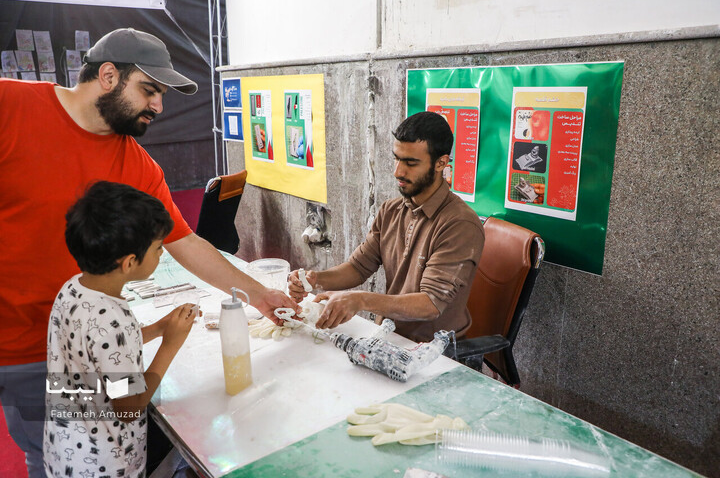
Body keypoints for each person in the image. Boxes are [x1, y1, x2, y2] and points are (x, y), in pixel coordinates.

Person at [0, 28, 298, 477]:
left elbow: (187, 242)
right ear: (107, 76)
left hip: (59, 348)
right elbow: (128, 401)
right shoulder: (11, 106)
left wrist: (259, 294)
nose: (158, 106)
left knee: (56, 448)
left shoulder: (135, 163)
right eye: (149, 90)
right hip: (20, 339)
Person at [44, 181, 198, 477]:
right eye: (157, 248)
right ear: (129, 263)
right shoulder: (113, 319)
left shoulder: (73, 288)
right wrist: (170, 346)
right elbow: (129, 407)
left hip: (65, 451)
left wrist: (158, 328)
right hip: (106, 464)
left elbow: (98, 351)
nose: (162, 254)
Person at [288, 111, 484, 343]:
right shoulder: (391, 210)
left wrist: (359, 300)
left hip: (434, 350)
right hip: (387, 335)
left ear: (441, 163)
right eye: (397, 158)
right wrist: (314, 279)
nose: (398, 172)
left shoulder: (459, 224)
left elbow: (430, 304)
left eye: (411, 163)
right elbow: (358, 268)